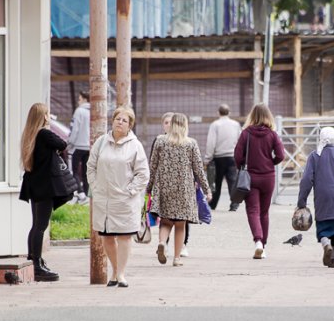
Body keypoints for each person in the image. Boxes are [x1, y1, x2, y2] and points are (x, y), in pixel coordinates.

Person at [87, 106, 149, 287]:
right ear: (112, 121)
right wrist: (96, 187)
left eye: (124, 120)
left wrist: (130, 191)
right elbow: (91, 166)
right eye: (117, 119)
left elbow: (143, 174)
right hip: (104, 199)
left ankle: (121, 274)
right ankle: (114, 270)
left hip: (124, 200)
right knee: (107, 237)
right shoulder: (101, 142)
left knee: (124, 237)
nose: (120, 122)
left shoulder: (135, 146)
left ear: (130, 126)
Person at [19, 103, 78, 282]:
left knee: (35, 224)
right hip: (45, 186)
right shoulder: (44, 133)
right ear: (44, 116)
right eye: (48, 114)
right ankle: (37, 266)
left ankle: (33, 259)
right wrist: (48, 124)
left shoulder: (29, 134)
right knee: (41, 226)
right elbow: (63, 142)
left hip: (34, 185)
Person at [147, 113, 212, 267]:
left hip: (164, 187)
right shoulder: (190, 143)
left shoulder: (160, 141)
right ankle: (177, 258)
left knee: (166, 221)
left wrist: (149, 188)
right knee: (180, 224)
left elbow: (153, 166)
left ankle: (162, 243)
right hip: (184, 189)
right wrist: (206, 189)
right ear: (184, 125)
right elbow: (198, 169)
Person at [297, 127, 334, 268]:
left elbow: (306, 180)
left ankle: (325, 244)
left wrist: (302, 201)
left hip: (322, 197)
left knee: (323, 227)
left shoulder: (314, 156)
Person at [234, 103, 285, 259]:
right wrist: (271, 163)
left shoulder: (246, 134)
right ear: (268, 116)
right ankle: (264, 245)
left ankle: (258, 242)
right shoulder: (272, 134)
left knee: (253, 211)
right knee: (264, 212)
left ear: (252, 116)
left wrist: (242, 165)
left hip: (250, 177)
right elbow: (281, 155)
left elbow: (237, 155)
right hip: (268, 177)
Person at [204, 104, 241, 212]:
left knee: (216, 182)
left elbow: (211, 142)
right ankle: (234, 204)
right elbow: (240, 140)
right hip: (232, 157)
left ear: (218, 113)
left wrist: (208, 157)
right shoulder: (236, 124)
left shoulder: (215, 125)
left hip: (218, 158)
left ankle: (213, 204)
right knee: (232, 181)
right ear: (229, 113)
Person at [68, 91, 90, 204]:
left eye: (80, 99)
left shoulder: (79, 111)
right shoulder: (93, 111)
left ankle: (81, 193)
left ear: (85, 99)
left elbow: (74, 129)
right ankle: (86, 196)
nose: (78, 101)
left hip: (78, 146)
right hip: (89, 147)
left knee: (75, 171)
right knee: (86, 173)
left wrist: (69, 143)